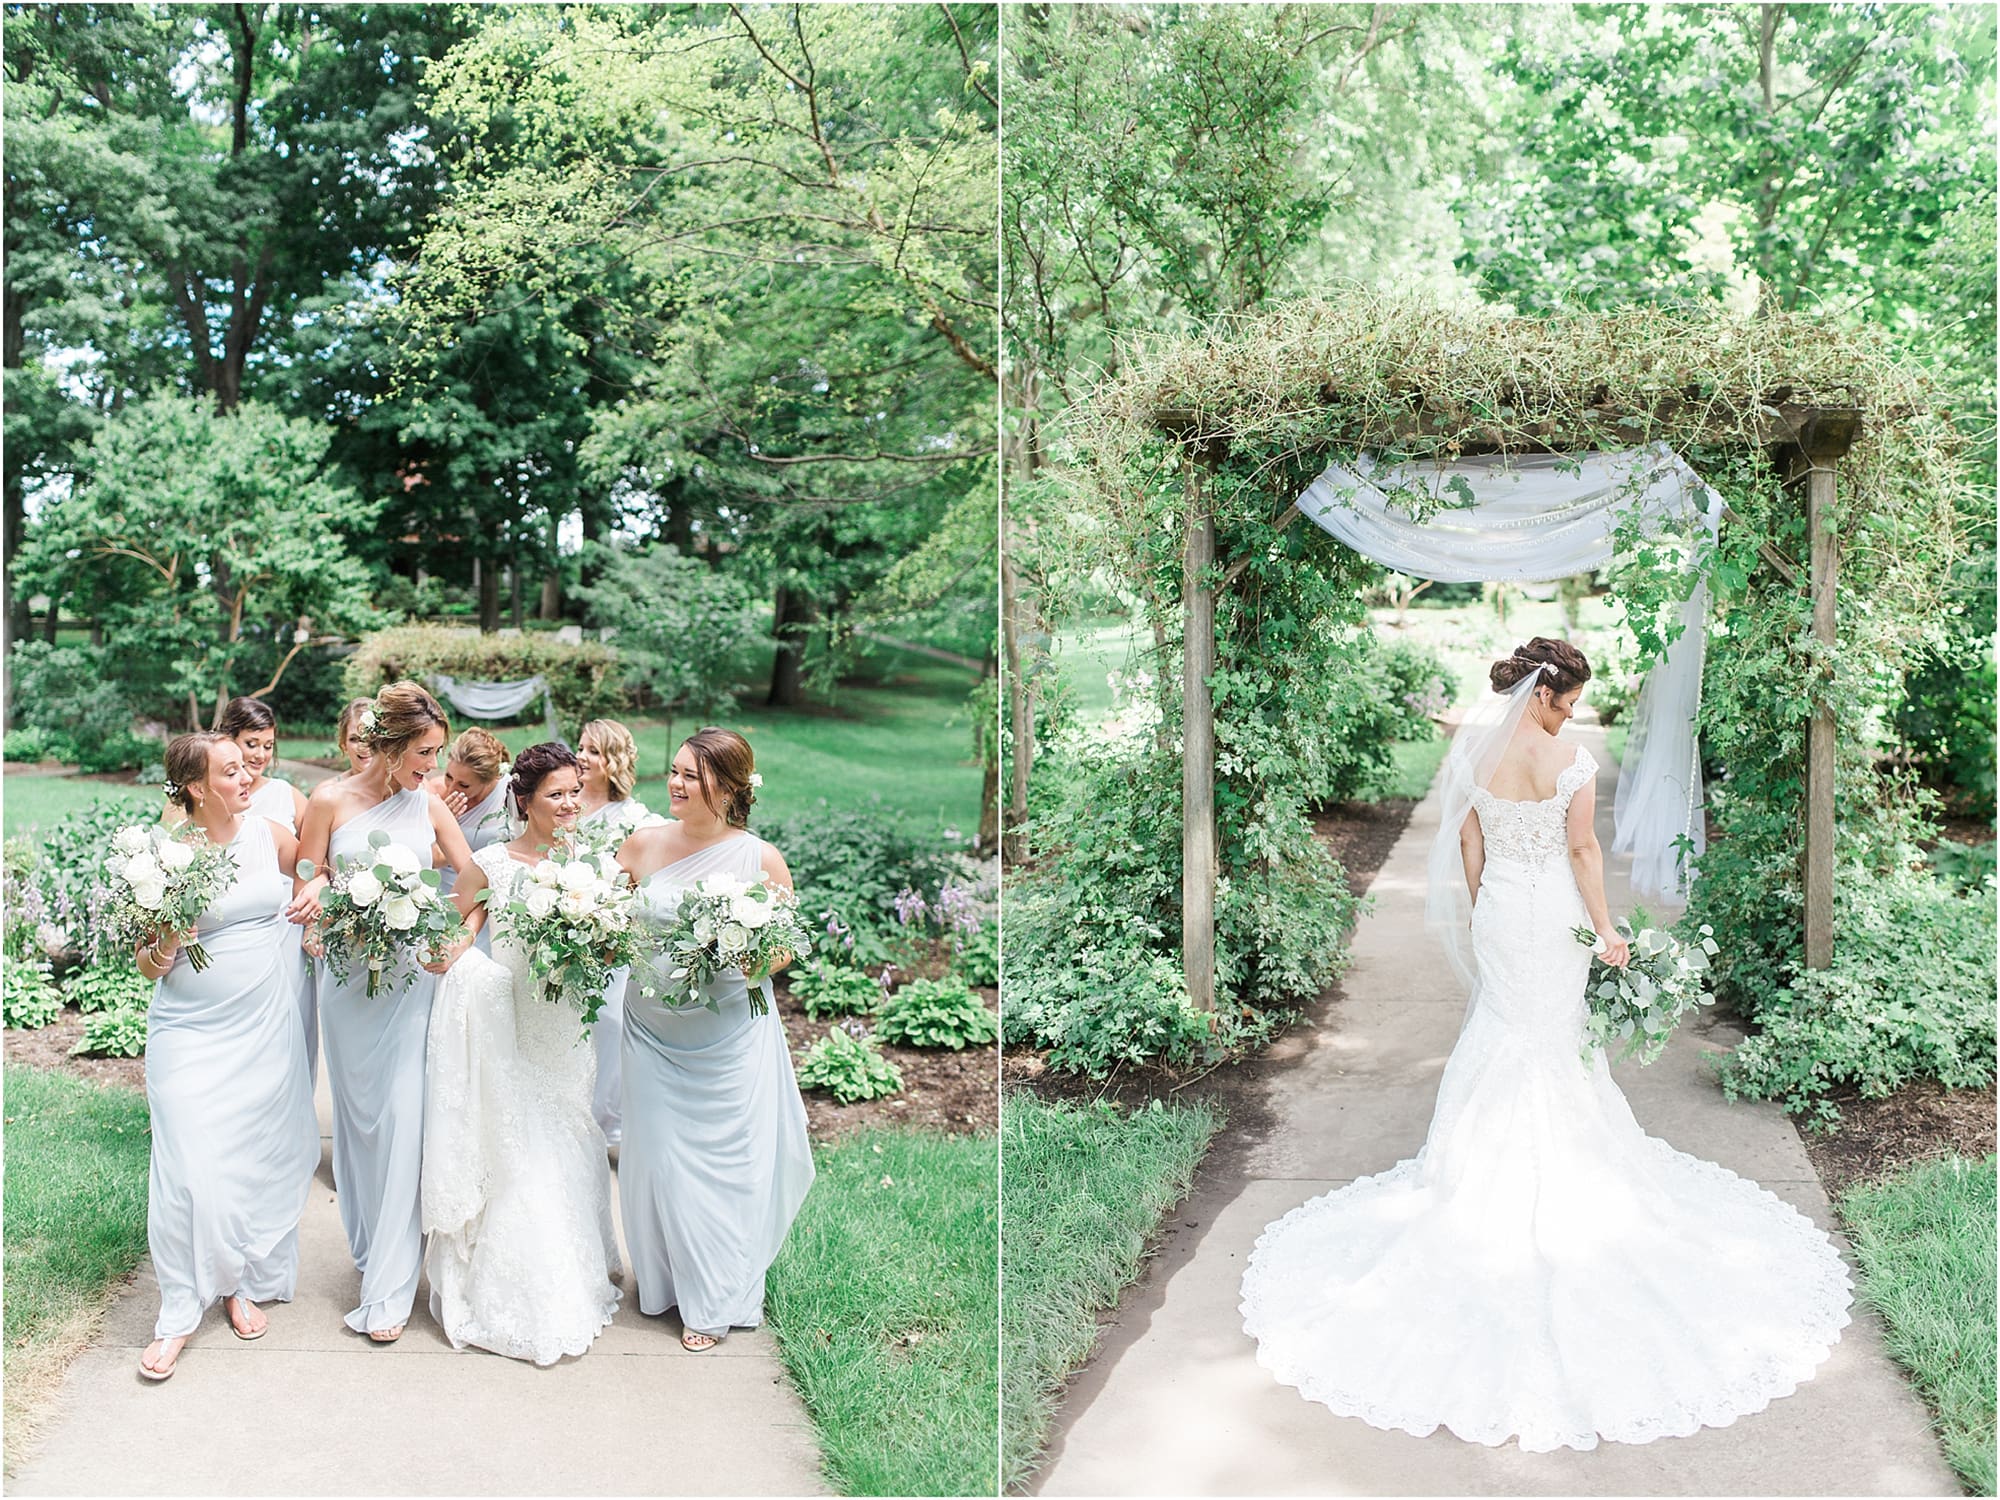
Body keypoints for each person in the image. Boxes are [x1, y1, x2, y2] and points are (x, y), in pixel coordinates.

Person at [1240, 637, 1851, 1452]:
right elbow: (1582, 850)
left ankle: (1470, 1172)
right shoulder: (1572, 763)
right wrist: (1607, 932)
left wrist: (1484, 903)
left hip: (1501, 912)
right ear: (1542, 694)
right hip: (1555, 916)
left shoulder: (1479, 756)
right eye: (1565, 701)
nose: (1569, 714)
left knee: (1505, 1031)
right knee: (1555, 1042)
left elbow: (1465, 845)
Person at [422, 742, 623, 1364]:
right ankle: (533, 1286)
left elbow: (614, 946)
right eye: (554, 794)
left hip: (569, 1028)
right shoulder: (492, 864)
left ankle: (583, 1258)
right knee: (525, 1146)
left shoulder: (596, 864)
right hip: (515, 1025)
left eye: (574, 792)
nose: (568, 804)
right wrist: (444, 960)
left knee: (573, 1132)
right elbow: (461, 932)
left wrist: (599, 939)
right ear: (525, 799)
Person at [295, 681, 482, 1343]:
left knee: (402, 1124)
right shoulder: (328, 799)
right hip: (346, 984)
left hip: (409, 989)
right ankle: (371, 1252)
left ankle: (392, 1289)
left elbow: (474, 880)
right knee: (360, 1125)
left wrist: (451, 943)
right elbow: (308, 868)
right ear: (389, 744)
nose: (434, 767)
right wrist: (316, 891)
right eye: (425, 753)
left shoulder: (427, 806)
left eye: (436, 753)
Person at [616, 728, 814, 1351]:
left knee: (725, 1167)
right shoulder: (641, 844)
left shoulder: (761, 860)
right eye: (671, 772)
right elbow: (605, 914)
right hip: (650, 1027)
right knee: (661, 1162)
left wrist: (737, 955)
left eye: (689, 776)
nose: (673, 784)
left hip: (727, 1036)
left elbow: (782, 947)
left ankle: (714, 1297)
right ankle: (668, 1281)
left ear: (727, 788)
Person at [136, 733, 319, 1381]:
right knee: (188, 1167)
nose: (248, 776)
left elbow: (314, 870)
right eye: (232, 769)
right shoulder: (165, 856)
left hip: (261, 1027)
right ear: (194, 786)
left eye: (247, 767)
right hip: (187, 1029)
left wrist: (317, 894)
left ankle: (237, 1280)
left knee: (245, 1159)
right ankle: (178, 1312)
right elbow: (147, 967)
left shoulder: (269, 833)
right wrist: (167, 939)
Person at [166, 698, 318, 1076]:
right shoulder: (178, 833)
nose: (261, 756)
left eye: (269, 745)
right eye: (252, 744)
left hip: (278, 926)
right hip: (208, 956)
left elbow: (314, 860)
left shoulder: (280, 807)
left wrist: (316, 891)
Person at [575, 718, 661, 1145]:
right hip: (565, 934)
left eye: (593, 751)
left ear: (614, 760)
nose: (582, 757)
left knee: (608, 1024)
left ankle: (607, 1124)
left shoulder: (635, 819)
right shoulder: (563, 804)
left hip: (610, 941)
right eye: (581, 747)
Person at [430, 727, 512, 895]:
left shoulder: (509, 795)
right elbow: (430, 857)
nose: (452, 788)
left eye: (464, 785)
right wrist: (445, 822)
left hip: (494, 894)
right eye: (449, 776)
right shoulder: (436, 792)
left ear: (488, 781)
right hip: (450, 894)